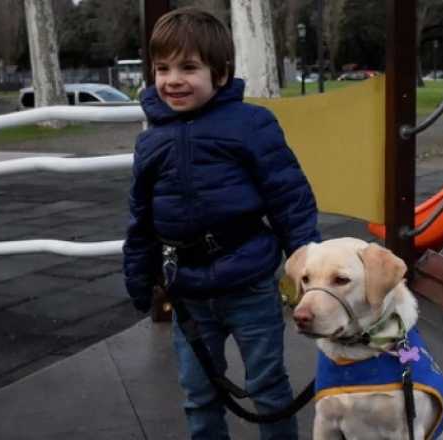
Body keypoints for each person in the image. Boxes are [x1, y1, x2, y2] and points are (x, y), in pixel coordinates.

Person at [122, 7, 320, 440]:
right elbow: (141, 218)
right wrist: (139, 277)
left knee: (267, 387)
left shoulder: (251, 125)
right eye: (163, 68)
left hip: (248, 283)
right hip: (189, 291)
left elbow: (289, 197)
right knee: (198, 393)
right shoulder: (151, 141)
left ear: (222, 74)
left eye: (189, 67)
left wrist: (308, 265)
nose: (173, 79)